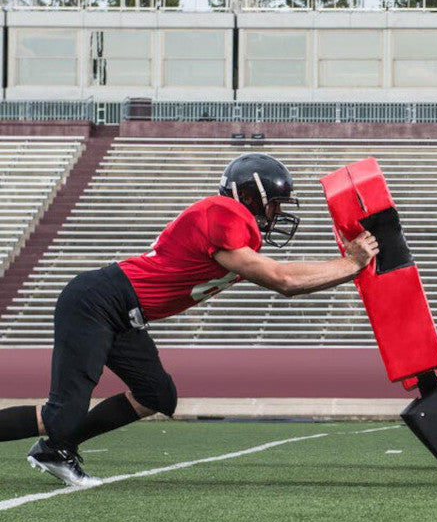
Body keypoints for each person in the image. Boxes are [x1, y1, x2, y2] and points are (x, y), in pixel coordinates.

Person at [0, 152, 379, 488]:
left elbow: (284, 278)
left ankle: (57, 449)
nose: (277, 214)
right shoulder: (224, 213)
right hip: (98, 301)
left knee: (156, 395)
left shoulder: (235, 228)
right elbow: (283, 280)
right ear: (250, 198)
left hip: (124, 311)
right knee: (61, 414)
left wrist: (350, 266)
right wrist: (351, 264)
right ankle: (58, 440)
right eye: (275, 204)